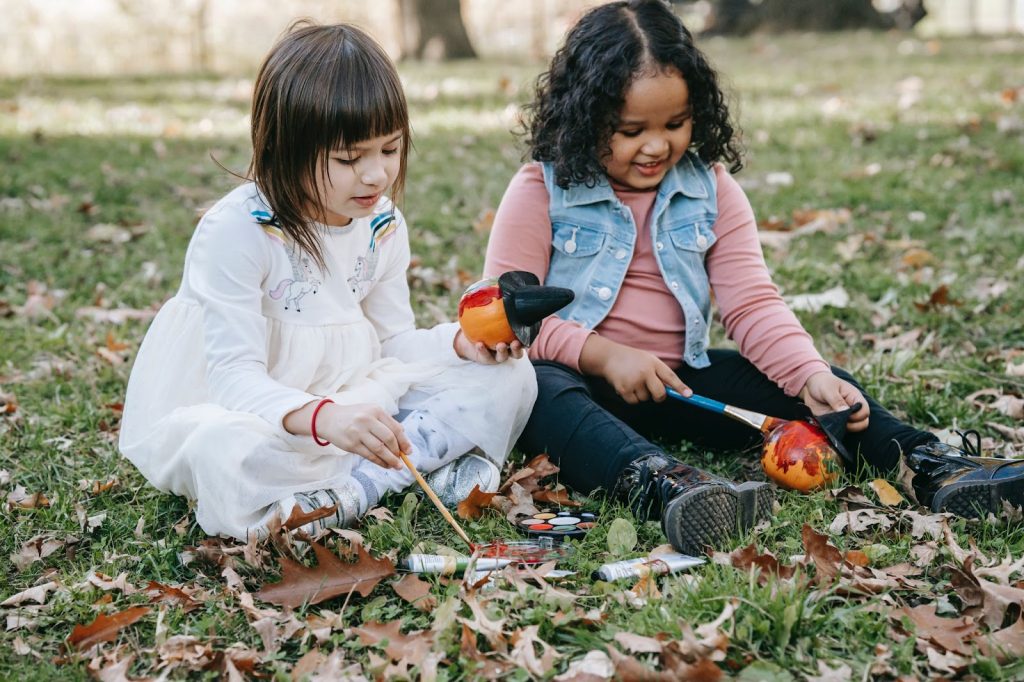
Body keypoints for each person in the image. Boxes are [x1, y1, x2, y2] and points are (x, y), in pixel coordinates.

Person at [484, 0, 1023, 556]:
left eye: (675, 124)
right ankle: (667, 485)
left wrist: (808, 375)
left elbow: (753, 305)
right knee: (538, 390)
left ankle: (930, 468)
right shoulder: (541, 189)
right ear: (584, 116)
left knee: (820, 382)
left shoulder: (710, 190)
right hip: (576, 385)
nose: (656, 146)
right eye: (629, 130)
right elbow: (506, 317)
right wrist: (603, 355)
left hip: (680, 385)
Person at [119, 22, 537, 541]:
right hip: (263, 413)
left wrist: (459, 346)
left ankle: (353, 488)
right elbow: (234, 379)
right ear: (286, 148)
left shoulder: (382, 226)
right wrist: (324, 419)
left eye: (390, 149)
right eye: (348, 158)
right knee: (223, 451)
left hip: (351, 402)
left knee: (513, 378)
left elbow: (392, 344)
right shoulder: (238, 232)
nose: (377, 175)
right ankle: (393, 472)